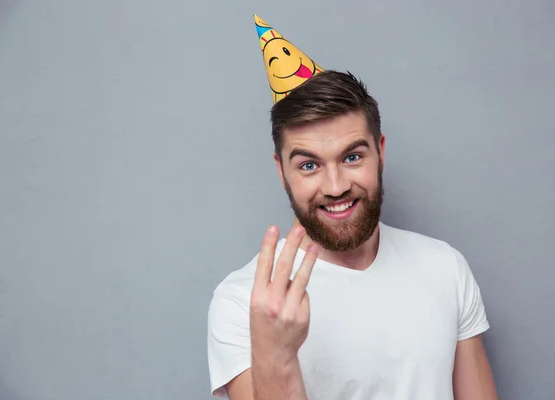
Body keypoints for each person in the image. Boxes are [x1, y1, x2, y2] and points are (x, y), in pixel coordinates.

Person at [207, 15, 498, 400]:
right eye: (309, 165)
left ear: (379, 151)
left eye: (352, 157)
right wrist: (276, 354)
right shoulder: (243, 302)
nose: (336, 186)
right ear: (282, 171)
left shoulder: (445, 267)